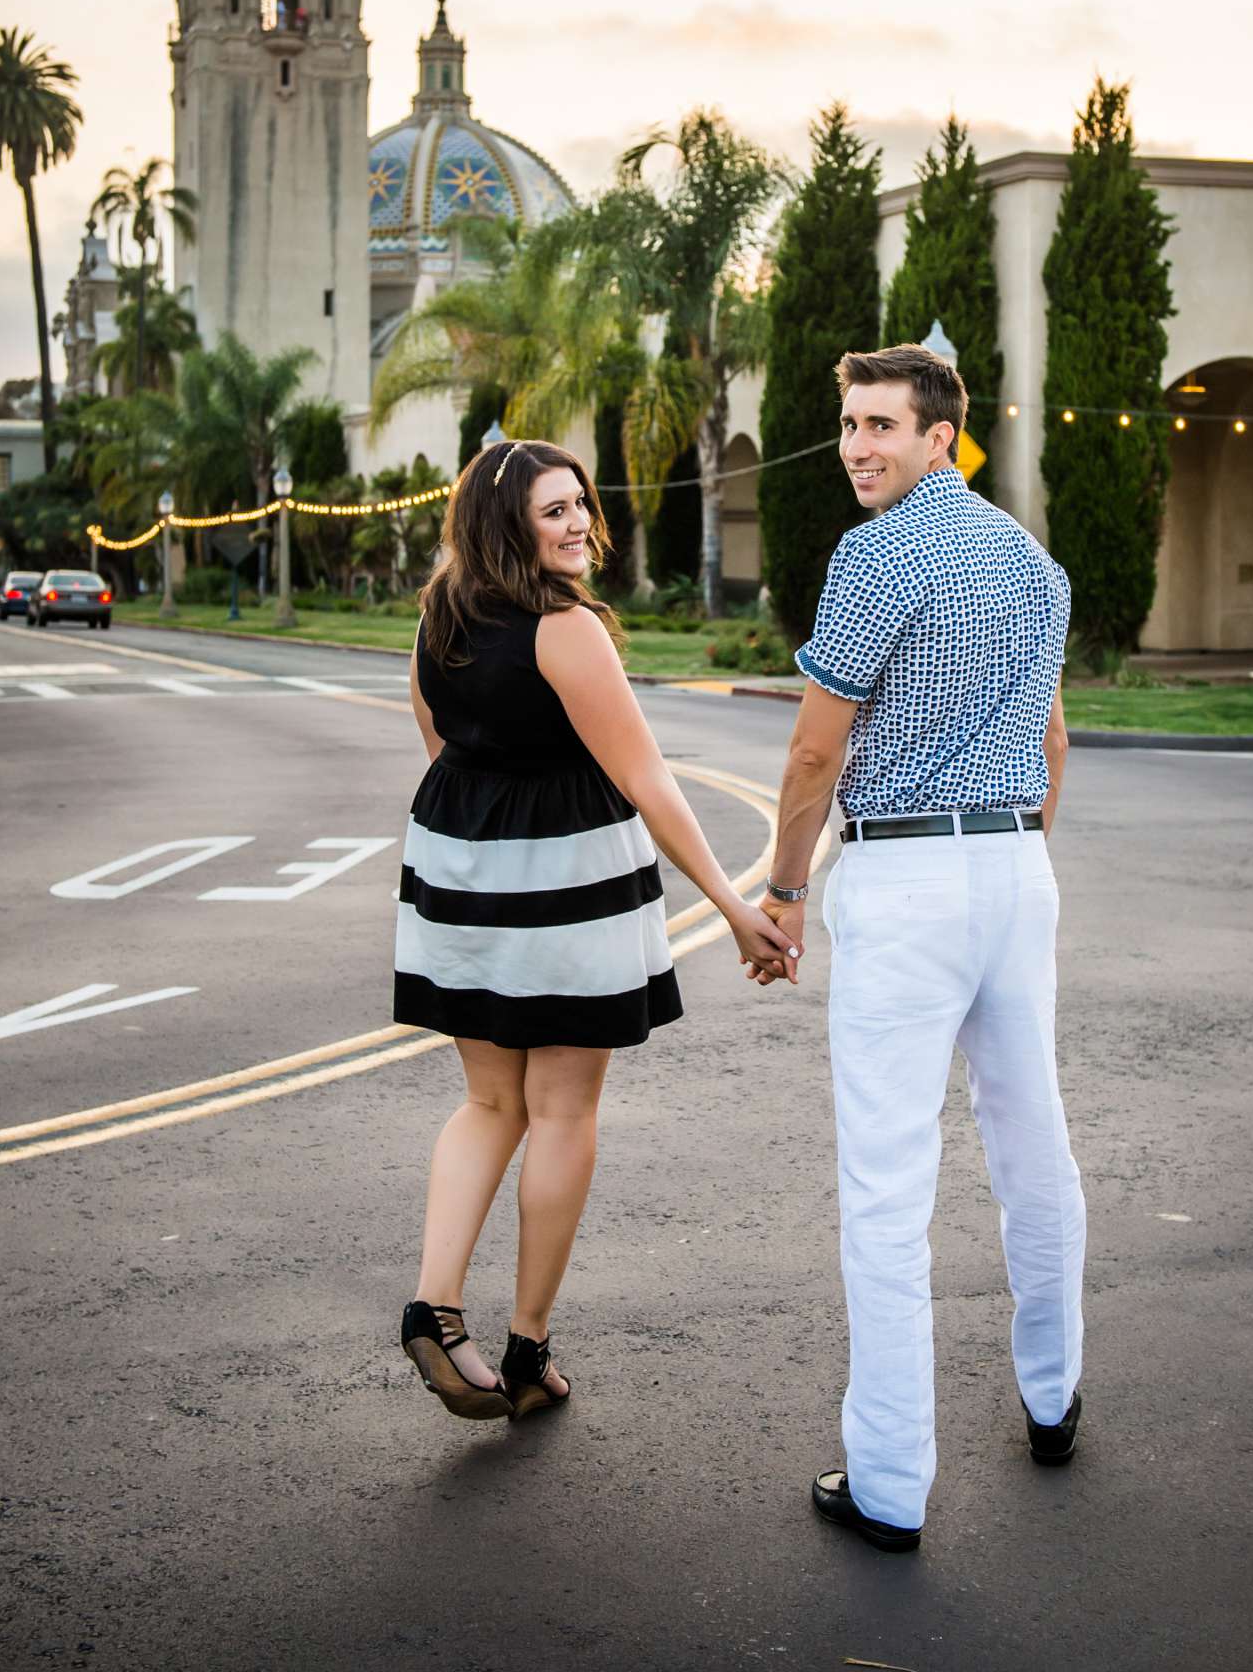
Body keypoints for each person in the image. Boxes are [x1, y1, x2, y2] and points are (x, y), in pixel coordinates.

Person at [754, 343, 1084, 1550]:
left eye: (882, 426)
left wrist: (784, 894)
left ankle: (888, 1483)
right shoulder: (1032, 563)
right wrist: (1009, 852)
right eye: (848, 425)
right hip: (1014, 864)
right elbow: (1052, 745)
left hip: (904, 874)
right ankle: (1052, 1399)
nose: (857, 448)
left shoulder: (875, 555)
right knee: (1030, 1138)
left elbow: (809, 753)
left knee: (887, 1184)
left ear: (941, 435)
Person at [397, 437, 793, 1421]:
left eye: (579, 504)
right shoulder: (565, 628)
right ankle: (528, 1347)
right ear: (508, 527)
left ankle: (433, 1308)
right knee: (563, 1112)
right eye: (552, 511)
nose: (578, 524)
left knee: (490, 1104)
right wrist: (734, 906)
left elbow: (440, 743)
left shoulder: (437, 618)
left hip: (458, 876)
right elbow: (646, 776)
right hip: (568, 880)